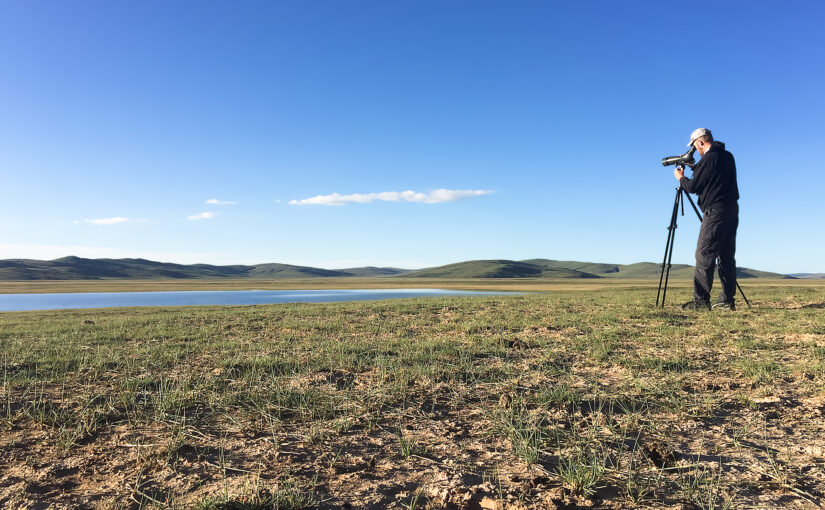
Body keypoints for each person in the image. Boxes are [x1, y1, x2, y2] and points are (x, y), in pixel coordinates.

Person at [674, 128, 740, 310]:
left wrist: (681, 178)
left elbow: (694, 186)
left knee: (704, 255)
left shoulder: (710, 158)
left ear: (701, 142)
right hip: (731, 210)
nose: (696, 149)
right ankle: (727, 301)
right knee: (726, 256)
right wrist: (693, 165)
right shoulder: (726, 156)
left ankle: (701, 302)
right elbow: (709, 173)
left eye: (695, 146)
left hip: (715, 212)